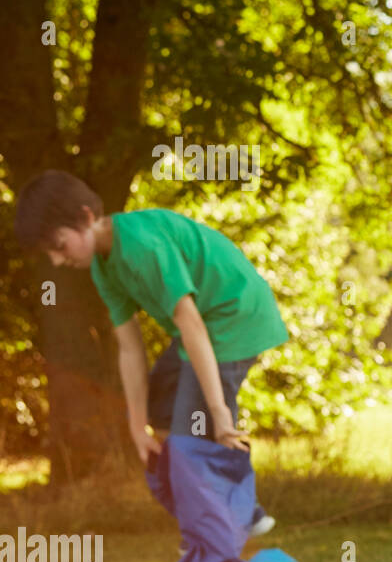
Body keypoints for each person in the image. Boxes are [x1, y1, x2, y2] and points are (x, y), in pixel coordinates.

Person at [15, 170, 286, 541]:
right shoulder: (104, 266)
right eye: (51, 254)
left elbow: (189, 321)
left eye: (60, 246)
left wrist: (219, 411)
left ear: (86, 216)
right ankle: (206, 516)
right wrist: (136, 425)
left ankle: (236, 520)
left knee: (197, 422)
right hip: (201, 325)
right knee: (162, 410)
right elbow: (129, 346)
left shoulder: (141, 246)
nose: (59, 261)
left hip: (232, 316)